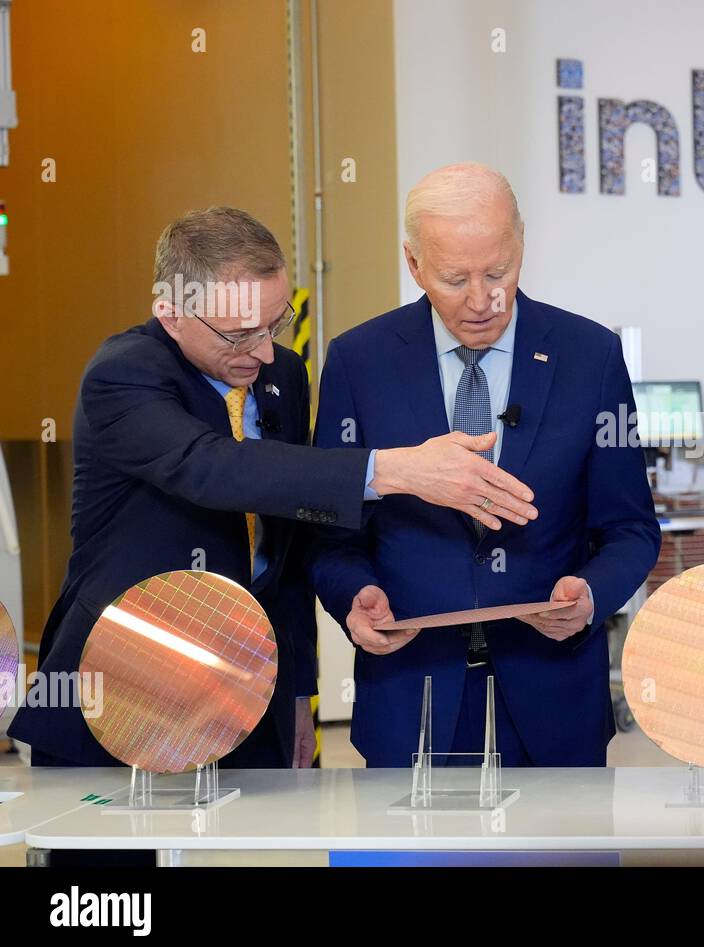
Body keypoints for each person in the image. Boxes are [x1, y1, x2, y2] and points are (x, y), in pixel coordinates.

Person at [9, 206, 536, 771]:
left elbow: (285, 542)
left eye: (274, 324)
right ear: (170, 312)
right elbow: (214, 468)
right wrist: (395, 470)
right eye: (239, 335)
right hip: (119, 681)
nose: (262, 353)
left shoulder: (281, 374)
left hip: (244, 691)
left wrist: (295, 695)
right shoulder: (123, 375)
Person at [309, 163, 660, 769]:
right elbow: (328, 530)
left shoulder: (590, 356)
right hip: (409, 699)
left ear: (521, 246)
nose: (481, 300)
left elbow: (630, 529)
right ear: (414, 265)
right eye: (454, 279)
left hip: (553, 703)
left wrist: (592, 596)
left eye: (498, 273)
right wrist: (354, 594)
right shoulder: (357, 362)